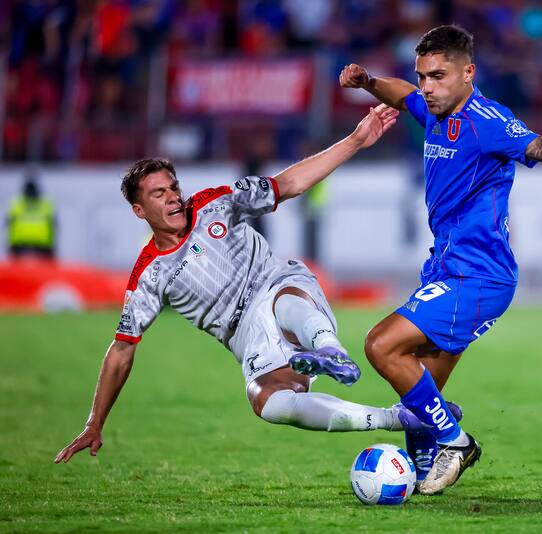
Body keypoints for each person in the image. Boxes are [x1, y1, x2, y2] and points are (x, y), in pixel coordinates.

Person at [54, 104, 458, 464]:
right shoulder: (150, 275)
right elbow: (121, 350)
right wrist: (95, 422)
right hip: (245, 335)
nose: (173, 197)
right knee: (267, 402)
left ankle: (331, 351)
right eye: (159, 194)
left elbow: (289, 184)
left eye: (174, 186)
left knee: (284, 302)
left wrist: (355, 140)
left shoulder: (217, 202)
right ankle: (397, 417)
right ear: (140, 210)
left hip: (276, 282)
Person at [338, 25, 542, 494]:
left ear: (468, 72)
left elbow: (538, 142)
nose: (427, 87)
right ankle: (416, 475)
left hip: (478, 275)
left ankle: (456, 441)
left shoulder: (487, 119)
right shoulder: (432, 109)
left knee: (380, 345)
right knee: (419, 396)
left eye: (437, 76)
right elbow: (401, 96)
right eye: (422, 77)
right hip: (446, 267)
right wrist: (370, 81)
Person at [6, 173, 57, 259]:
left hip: (19, 248)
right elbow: (54, 225)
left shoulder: (16, 205)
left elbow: (8, 224)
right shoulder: (46, 205)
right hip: (42, 248)